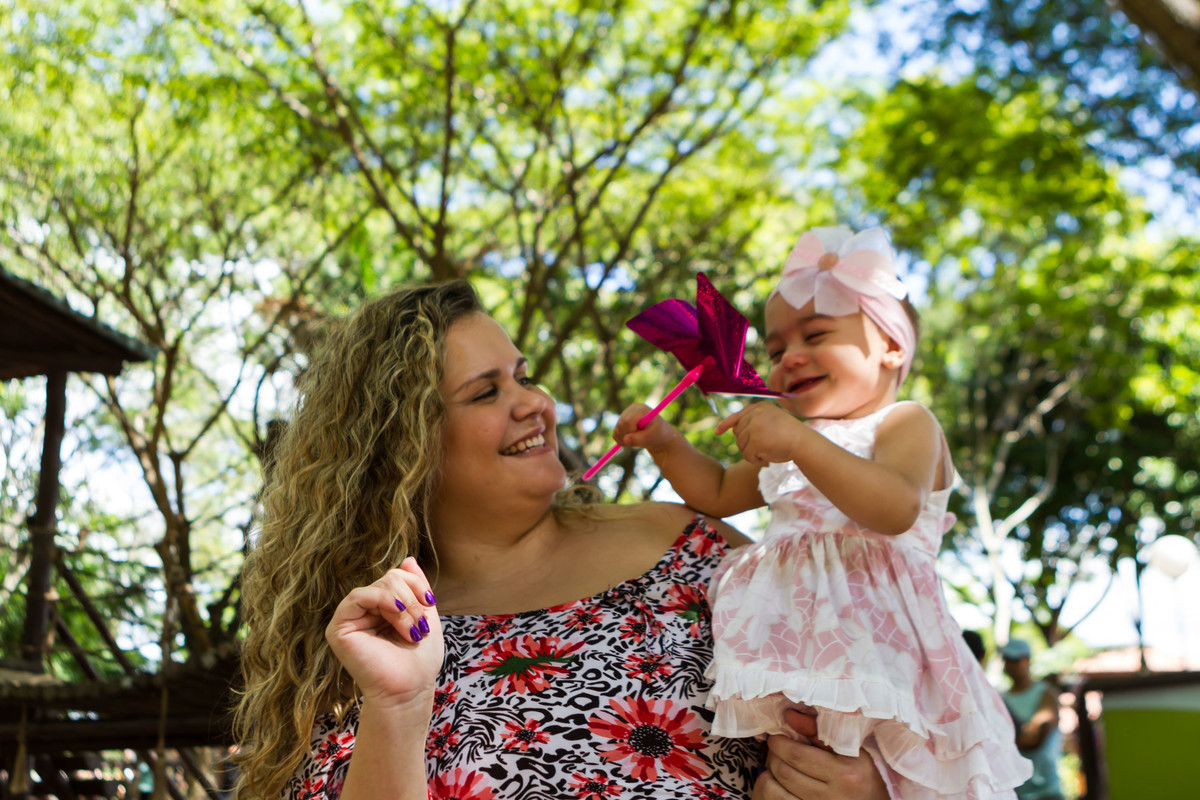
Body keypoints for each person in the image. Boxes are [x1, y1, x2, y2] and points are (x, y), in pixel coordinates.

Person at [232, 280, 893, 800]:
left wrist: (870, 790)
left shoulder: (692, 551)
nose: (533, 403)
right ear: (407, 447)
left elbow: (880, 711)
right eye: (485, 392)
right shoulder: (374, 645)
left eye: (523, 375)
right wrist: (398, 706)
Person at [613, 226, 1032, 799]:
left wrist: (802, 444)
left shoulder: (903, 422)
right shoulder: (796, 444)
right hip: (795, 647)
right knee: (792, 774)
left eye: (816, 334)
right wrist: (665, 442)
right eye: (777, 349)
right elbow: (714, 490)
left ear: (891, 346)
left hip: (881, 654)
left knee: (887, 771)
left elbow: (895, 507)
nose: (790, 359)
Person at [1000, 639, 1065, 800]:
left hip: (1046, 790)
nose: (1010, 665)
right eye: (1006, 659)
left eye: (1014, 660)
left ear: (1026, 660)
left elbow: (1033, 739)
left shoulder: (1045, 693)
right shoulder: (1001, 699)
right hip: (1016, 791)